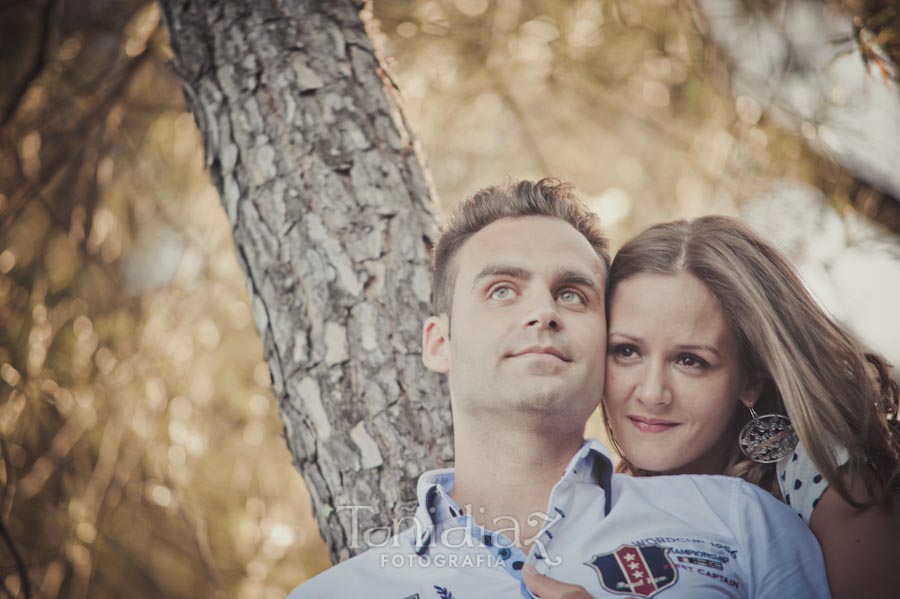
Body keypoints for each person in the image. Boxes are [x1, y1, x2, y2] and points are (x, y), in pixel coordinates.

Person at [288, 180, 830, 598]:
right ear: (439, 342)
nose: (543, 311)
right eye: (502, 289)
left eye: (573, 295)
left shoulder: (739, 519)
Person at [523, 215, 900, 599]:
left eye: (690, 361)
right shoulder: (603, 496)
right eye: (627, 351)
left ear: (751, 380)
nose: (652, 394)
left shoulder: (827, 479)